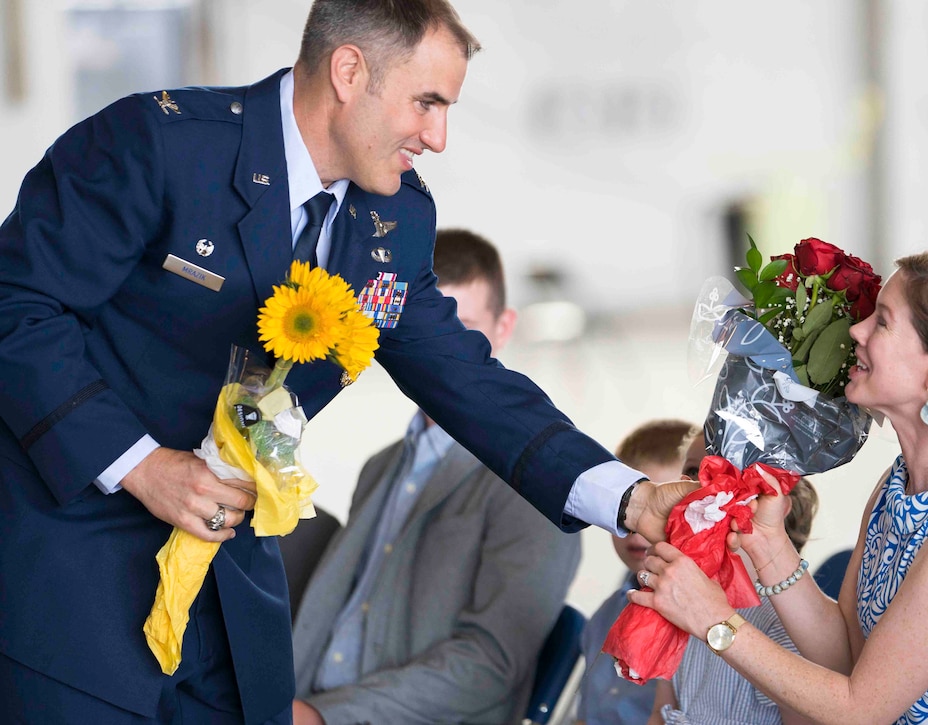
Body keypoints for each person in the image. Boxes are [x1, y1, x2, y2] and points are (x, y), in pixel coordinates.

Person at [0, 1, 691, 721]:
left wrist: (633, 499)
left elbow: (468, 380)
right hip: (73, 568)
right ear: (349, 71)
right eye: (426, 103)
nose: (439, 136)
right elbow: (15, 306)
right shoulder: (160, 144)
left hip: (230, 592)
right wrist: (144, 465)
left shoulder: (395, 219)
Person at [633, 249, 928, 723]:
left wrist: (714, 619)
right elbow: (845, 656)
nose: (856, 331)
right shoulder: (900, 485)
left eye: (882, 322)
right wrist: (771, 546)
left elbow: (861, 710)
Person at [291, 228, 580, 724]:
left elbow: (490, 665)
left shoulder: (536, 485)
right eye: (421, 331)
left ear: (504, 327)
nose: (437, 353)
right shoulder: (382, 467)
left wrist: (323, 716)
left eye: (461, 329)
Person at [649, 435, 818, 725]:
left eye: (725, 474)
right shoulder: (679, 593)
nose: (698, 486)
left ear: (773, 502)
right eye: (692, 472)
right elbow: (662, 712)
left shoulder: (784, 626)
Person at [576, 419, 697, 725]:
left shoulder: (700, 627)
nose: (638, 530)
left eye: (662, 511)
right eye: (625, 508)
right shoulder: (604, 617)